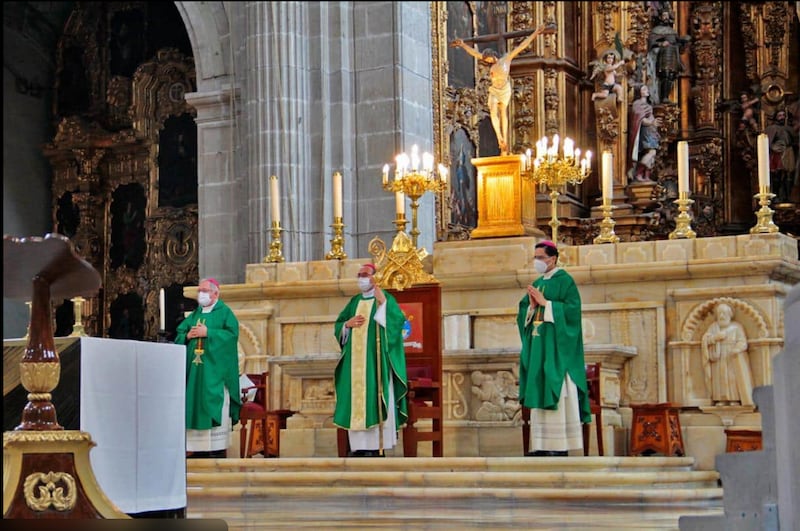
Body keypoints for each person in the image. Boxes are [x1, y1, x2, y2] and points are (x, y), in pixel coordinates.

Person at [516, 240, 590, 456]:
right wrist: (530, 306)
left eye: (540, 258)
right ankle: (541, 445)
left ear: (553, 258)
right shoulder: (538, 281)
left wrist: (546, 304)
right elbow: (523, 313)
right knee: (540, 389)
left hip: (557, 350)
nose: (537, 262)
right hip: (541, 348)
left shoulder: (565, 281)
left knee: (558, 391)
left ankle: (559, 447)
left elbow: (572, 312)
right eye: (535, 258)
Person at [333, 263, 408, 457]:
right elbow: (340, 324)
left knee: (375, 398)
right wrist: (346, 326)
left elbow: (397, 323)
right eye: (359, 275)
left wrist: (383, 305)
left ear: (375, 277)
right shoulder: (354, 301)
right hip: (355, 365)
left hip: (376, 363)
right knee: (356, 401)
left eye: (365, 275)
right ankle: (359, 447)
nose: (361, 278)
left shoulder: (384, 299)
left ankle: (377, 447)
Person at [450, 24, 555, 155]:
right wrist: (463, 45)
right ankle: (499, 137)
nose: (486, 61)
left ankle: (504, 138)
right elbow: (475, 54)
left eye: (487, 58)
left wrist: (535, 33)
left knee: (502, 112)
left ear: (492, 55)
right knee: (493, 112)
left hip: (504, 89)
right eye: (485, 60)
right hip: (494, 90)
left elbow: (522, 46)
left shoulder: (506, 59)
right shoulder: (492, 65)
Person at [175, 277, 241, 458]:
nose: (200, 294)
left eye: (204, 290)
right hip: (195, 374)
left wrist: (208, 333)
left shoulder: (225, 312)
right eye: (199, 290)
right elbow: (180, 333)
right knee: (194, 403)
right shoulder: (196, 314)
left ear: (215, 293)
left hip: (215, 374)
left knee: (213, 402)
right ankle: (196, 448)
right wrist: (187, 336)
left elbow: (231, 336)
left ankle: (215, 449)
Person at [701, 303, 754, 406]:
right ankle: (721, 399)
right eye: (720, 313)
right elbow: (706, 340)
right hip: (718, 356)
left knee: (732, 377)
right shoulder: (713, 327)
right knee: (720, 378)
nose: (722, 316)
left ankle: (735, 399)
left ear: (730, 314)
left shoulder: (736, 327)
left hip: (732, 356)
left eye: (724, 313)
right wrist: (715, 338)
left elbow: (742, 341)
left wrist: (737, 349)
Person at [647, 8, 689, 104]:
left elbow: (677, 41)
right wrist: (661, 44)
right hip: (663, 54)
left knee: (671, 74)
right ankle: (663, 97)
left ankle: (666, 96)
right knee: (665, 74)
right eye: (664, 16)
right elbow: (651, 42)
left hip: (673, 54)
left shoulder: (672, 31)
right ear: (660, 17)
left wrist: (684, 41)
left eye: (667, 15)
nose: (665, 17)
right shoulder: (656, 30)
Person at [628, 84, 662, 182]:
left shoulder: (648, 105)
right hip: (646, 131)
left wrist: (654, 123)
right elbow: (640, 119)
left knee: (652, 154)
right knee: (652, 152)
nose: (647, 90)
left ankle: (646, 175)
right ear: (639, 92)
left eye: (647, 89)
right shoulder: (637, 104)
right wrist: (651, 122)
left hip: (652, 130)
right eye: (644, 89)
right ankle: (638, 172)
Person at [765, 109, 797, 204]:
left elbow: (794, 140)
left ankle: (787, 196)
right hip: (777, 154)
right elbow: (768, 142)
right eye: (780, 115)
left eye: (783, 115)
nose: (782, 117)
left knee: (788, 176)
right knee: (777, 176)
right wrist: (775, 148)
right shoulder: (772, 128)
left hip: (788, 153)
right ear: (776, 117)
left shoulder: (789, 129)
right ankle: (776, 195)